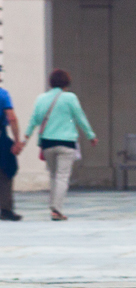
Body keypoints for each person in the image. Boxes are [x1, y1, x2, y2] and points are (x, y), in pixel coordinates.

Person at [22, 69, 95, 221]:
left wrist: (25, 138)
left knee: (54, 176)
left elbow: (34, 120)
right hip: (66, 142)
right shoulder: (70, 98)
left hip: (47, 143)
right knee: (62, 177)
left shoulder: (41, 98)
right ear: (66, 82)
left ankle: (53, 206)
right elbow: (80, 117)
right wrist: (90, 135)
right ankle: (56, 209)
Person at [0, 79, 19, 221]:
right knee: (6, 172)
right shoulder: (2, 94)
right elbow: (11, 117)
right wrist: (17, 140)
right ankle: (6, 209)